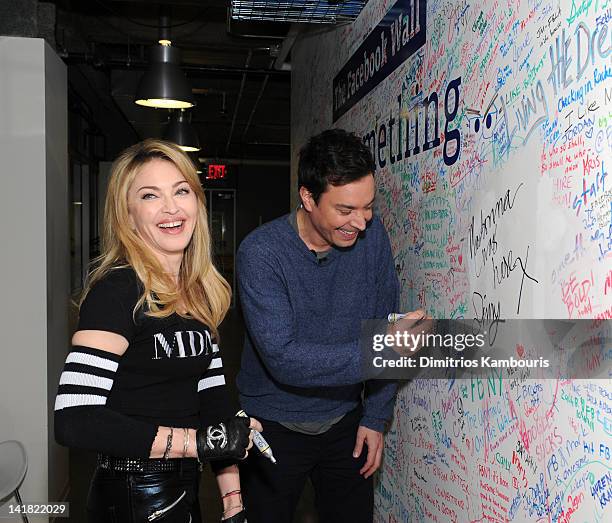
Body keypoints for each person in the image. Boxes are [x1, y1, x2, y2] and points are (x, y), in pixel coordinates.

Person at [54, 139, 262, 523]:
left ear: (197, 203)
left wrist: (232, 500)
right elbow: (74, 418)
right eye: (150, 195)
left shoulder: (199, 292)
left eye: (181, 191)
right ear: (128, 216)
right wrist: (194, 442)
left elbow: (214, 400)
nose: (171, 207)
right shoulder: (117, 291)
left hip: (183, 489)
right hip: (132, 493)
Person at [236, 128, 425, 522]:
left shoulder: (372, 238)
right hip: (270, 427)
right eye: (345, 210)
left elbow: (385, 326)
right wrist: (383, 349)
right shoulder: (261, 253)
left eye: (368, 206)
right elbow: (284, 358)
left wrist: (374, 417)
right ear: (308, 197)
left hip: (345, 423)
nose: (361, 222)